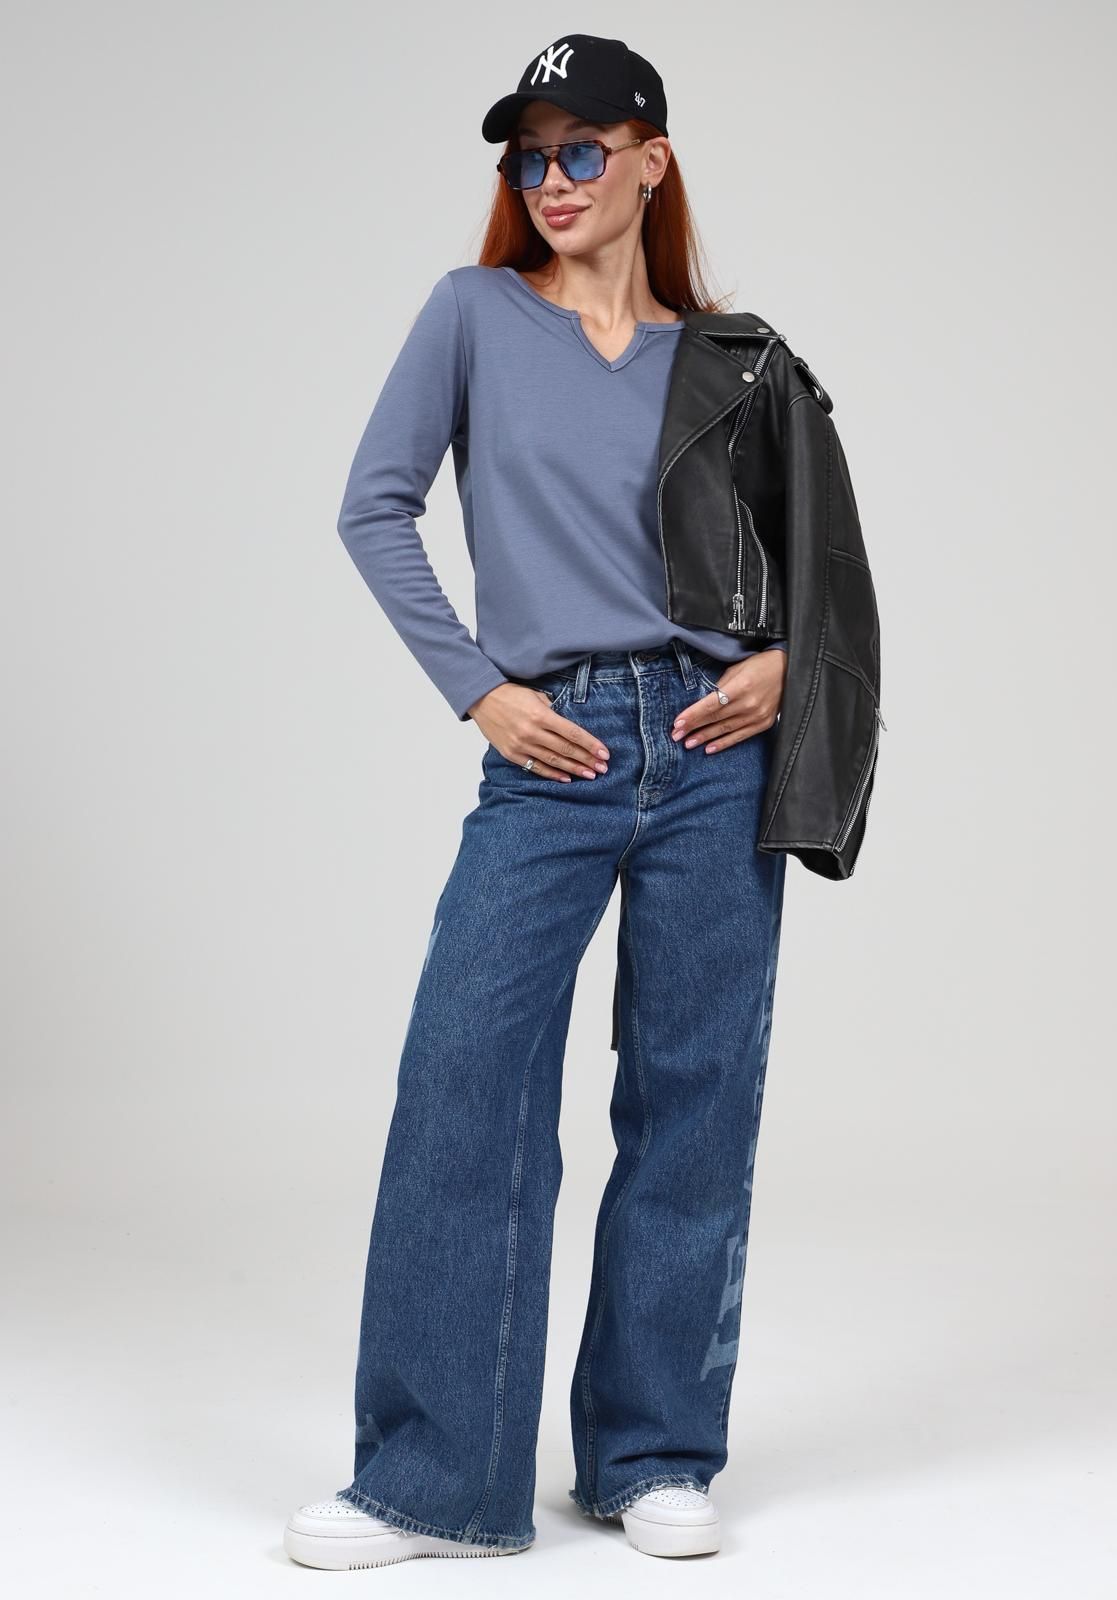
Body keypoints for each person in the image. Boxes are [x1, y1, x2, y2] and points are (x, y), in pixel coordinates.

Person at [286, 32, 807, 1569]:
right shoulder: (473, 315)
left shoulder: (730, 356)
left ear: (653, 157)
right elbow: (373, 507)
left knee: (694, 1100)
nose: (554, 179)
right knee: (467, 1086)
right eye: (531, 156)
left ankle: (651, 1453)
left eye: (584, 149)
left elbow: (805, 561)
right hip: (553, 743)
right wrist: (478, 689)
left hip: (715, 754)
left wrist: (782, 665)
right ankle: (431, 1480)